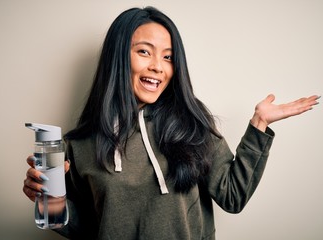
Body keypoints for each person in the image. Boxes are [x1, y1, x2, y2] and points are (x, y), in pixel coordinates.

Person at [23, 6, 320, 240]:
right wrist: (50, 202)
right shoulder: (78, 145)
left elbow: (233, 196)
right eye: (144, 51)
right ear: (118, 57)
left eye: (168, 57)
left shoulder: (191, 126)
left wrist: (258, 125)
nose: (158, 66)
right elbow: (88, 230)